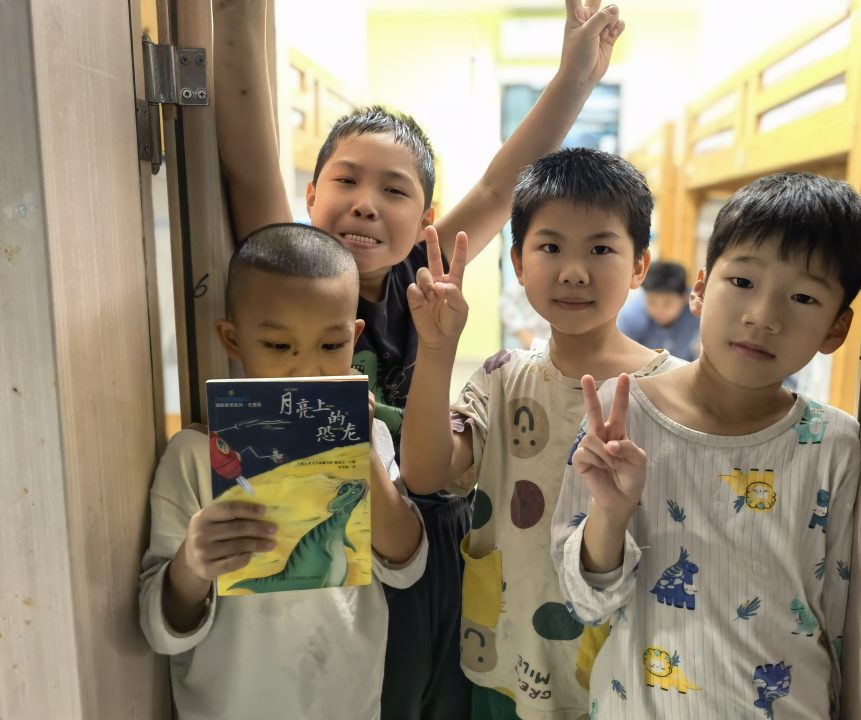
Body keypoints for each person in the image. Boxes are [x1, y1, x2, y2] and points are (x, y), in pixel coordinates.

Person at [211, 3, 626, 717]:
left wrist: (574, 79)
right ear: (310, 196)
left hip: (435, 525)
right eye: (346, 182)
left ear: (426, 219)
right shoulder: (286, 276)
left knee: (436, 694)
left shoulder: (424, 278)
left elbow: (498, 187)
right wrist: (238, 15)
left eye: (395, 190)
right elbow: (248, 165)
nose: (366, 205)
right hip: (330, 525)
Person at [552, 172, 861, 719]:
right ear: (700, 290)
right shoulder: (622, 414)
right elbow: (584, 604)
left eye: (803, 297)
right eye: (743, 281)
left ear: (835, 329)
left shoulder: (834, 445)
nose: (763, 316)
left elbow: (840, 624)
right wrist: (610, 513)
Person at [401, 148, 687, 719]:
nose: (573, 271)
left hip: (625, 682)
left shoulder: (675, 391)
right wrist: (436, 349)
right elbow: (425, 473)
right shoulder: (502, 378)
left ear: (639, 266)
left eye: (601, 249)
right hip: (507, 663)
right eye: (551, 247)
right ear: (518, 263)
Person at [139, 225, 428, 720]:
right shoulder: (192, 456)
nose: (306, 370)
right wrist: (192, 564)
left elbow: (406, 567)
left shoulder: (372, 436)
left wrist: (362, 450)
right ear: (233, 339)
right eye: (277, 346)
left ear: (354, 337)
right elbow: (160, 628)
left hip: (346, 703)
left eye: (331, 345)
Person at [618, 260, 701, 361]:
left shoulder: (697, 309)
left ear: (684, 297)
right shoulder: (632, 315)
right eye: (652, 302)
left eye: (667, 303)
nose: (659, 310)